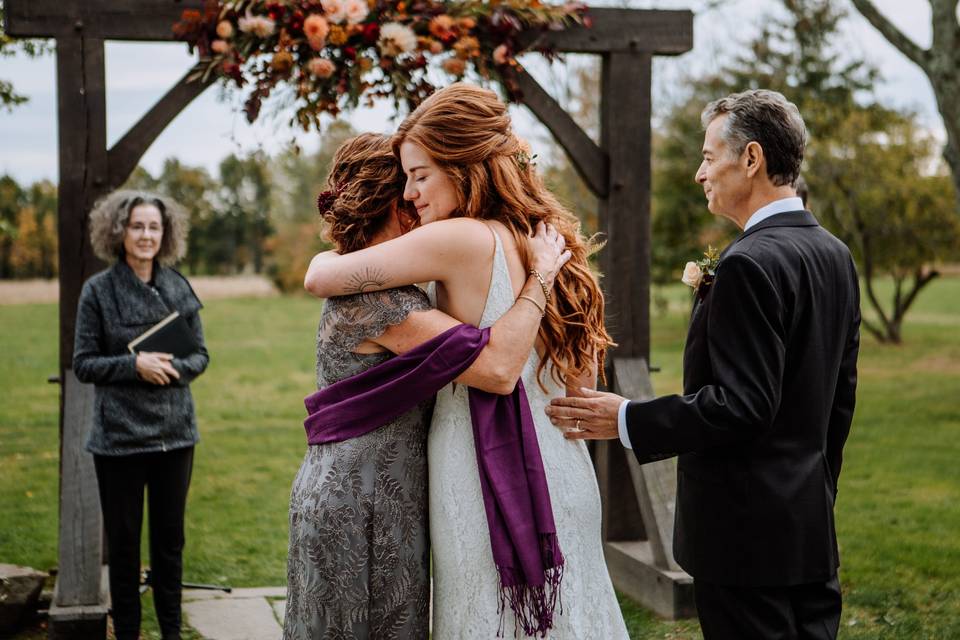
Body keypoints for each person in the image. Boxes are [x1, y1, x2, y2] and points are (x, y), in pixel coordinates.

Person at [304, 84, 629, 638]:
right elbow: (581, 383)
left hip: (480, 471)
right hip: (560, 470)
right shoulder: (549, 242)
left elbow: (321, 277)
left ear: (464, 165)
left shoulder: (459, 238)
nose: (408, 195)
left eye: (420, 175)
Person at [546, 89, 861, 640]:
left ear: (752, 159)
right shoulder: (834, 253)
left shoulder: (748, 264)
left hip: (742, 537)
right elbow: (840, 398)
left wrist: (627, 419)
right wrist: (815, 493)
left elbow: (742, 407)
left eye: (708, 156)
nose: (699, 173)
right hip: (807, 526)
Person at [74, 191, 209, 640]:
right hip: (119, 442)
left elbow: (201, 356)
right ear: (118, 231)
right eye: (137, 226)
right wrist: (134, 365)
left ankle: (172, 632)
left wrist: (172, 368)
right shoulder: (98, 291)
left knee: (170, 546)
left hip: (175, 436)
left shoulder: (178, 287)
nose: (146, 235)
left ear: (165, 234)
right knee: (126, 550)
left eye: (154, 227)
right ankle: (128, 633)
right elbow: (84, 363)